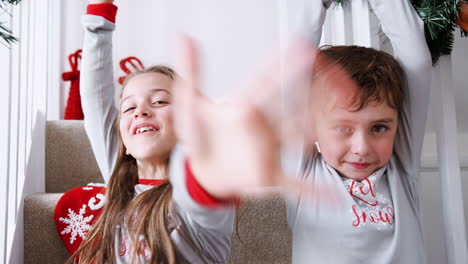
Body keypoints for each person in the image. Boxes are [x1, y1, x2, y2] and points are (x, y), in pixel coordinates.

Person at [171, 0, 432, 263]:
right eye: (343, 128)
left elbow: (417, 60)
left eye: (379, 128)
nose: (361, 147)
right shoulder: (303, 170)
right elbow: (296, 69)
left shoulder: (401, 167)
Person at [70, 1, 235, 263]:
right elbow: (94, 99)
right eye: (128, 107)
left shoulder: (195, 197)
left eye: (159, 101)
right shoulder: (121, 182)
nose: (140, 111)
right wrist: (100, 11)